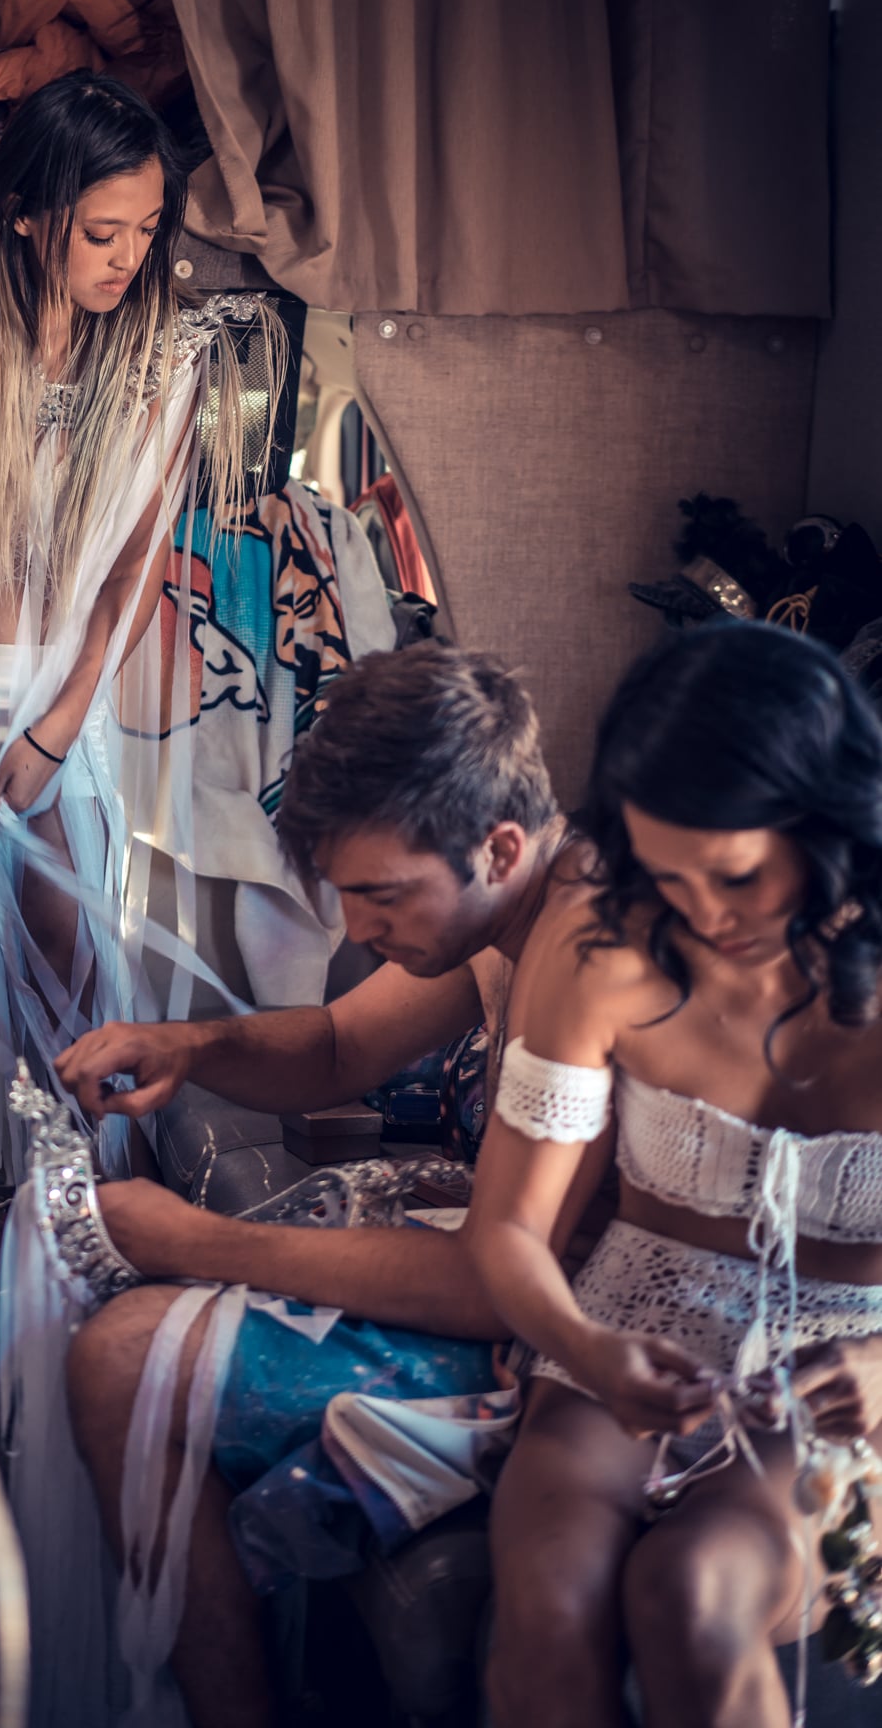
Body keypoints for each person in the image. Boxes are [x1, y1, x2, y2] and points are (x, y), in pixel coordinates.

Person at [55, 641, 609, 1728]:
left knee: (121, 1354)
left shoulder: (579, 951)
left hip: (554, 1329)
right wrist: (189, 1043)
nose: (355, 928)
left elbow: (489, 1286)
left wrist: (190, 1241)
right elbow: (331, 1048)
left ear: (497, 845)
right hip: (493, 1268)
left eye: (379, 894)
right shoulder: (509, 909)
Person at [467, 622, 882, 1728]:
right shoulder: (599, 948)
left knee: (692, 1594)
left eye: (734, 873)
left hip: (853, 1361)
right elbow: (506, 1226)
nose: (701, 912)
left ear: (821, 824)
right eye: (664, 873)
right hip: (635, 1318)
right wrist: (585, 1345)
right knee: (550, 1605)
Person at [0, 69, 285, 1177]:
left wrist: (62, 715)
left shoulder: (157, 358)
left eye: (146, 229)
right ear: (29, 211)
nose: (126, 257)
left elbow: (132, 567)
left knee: (64, 938)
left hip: (56, 690)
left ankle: (83, 1195)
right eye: (102, 229)